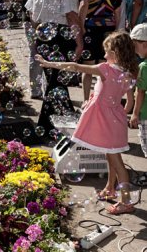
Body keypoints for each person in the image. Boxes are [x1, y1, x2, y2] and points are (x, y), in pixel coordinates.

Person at [36, 30, 138, 214]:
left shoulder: (105, 69)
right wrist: (120, 116)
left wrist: (49, 64)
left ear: (115, 54)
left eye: (107, 52)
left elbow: (75, 67)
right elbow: (129, 101)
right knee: (110, 154)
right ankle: (109, 188)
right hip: (115, 121)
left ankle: (126, 202)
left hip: (105, 121)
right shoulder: (128, 73)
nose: (104, 55)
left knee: (118, 163)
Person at [25, 0, 83, 135]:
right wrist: (79, 41)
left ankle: (55, 121)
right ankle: (55, 123)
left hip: (43, 32)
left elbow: (32, 13)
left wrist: (37, 35)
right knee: (57, 80)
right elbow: (71, 15)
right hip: (59, 34)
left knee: (54, 80)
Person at [79, 0, 122, 107]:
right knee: (106, 67)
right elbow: (117, 9)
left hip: (91, 27)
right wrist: (116, 29)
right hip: (108, 28)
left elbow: (83, 5)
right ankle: (105, 100)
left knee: (88, 67)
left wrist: (81, 26)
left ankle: (86, 100)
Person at [15, 0, 49, 99]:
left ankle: (35, 91)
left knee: (34, 53)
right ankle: (49, 89)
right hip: (49, 18)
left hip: (28, 19)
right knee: (49, 52)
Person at [130, 23, 147, 159]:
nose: (135, 51)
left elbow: (140, 92)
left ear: (145, 44)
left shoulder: (144, 66)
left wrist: (135, 114)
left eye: (135, 46)